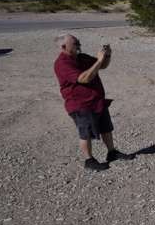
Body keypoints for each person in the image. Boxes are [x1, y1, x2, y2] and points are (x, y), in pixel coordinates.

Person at [53, 34, 134, 171]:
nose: (78, 44)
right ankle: (89, 160)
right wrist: (99, 60)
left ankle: (112, 152)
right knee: (86, 133)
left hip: (97, 101)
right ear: (63, 47)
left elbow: (102, 65)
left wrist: (107, 55)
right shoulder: (62, 63)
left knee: (106, 128)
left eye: (78, 41)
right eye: (75, 43)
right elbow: (84, 78)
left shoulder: (81, 57)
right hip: (80, 104)